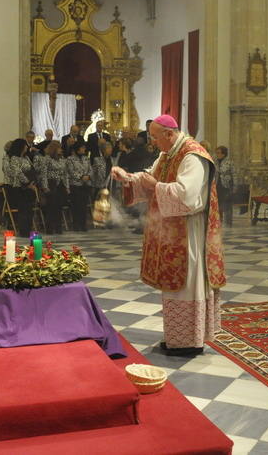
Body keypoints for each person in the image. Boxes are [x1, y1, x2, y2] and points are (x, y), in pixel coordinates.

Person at [110, 115, 226, 357]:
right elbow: (150, 177)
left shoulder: (192, 155)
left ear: (169, 134)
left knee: (187, 284)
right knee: (173, 286)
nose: (152, 142)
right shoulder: (168, 153)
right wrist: (128, 177)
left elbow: (187, 196)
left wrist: (156, 186)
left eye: (155, 137)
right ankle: (176, 338)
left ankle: (190, 341)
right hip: (173, 230)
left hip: (189, 230)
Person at [2, 138, 37, 237]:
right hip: (18, 187)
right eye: (25, 145)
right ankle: (24, 230)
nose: (27, 146)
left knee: (29, 208)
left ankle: (29, 228)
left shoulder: (26, 158)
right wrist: (27, 183)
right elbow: (17, 173)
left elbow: (32, 170)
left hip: (29, 186)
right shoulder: (14, 158)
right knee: (24, 208)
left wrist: (32, 182)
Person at [39, 141, 69, 235]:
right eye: (59, 148)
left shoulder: (62, 159)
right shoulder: (46, 159)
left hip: (60, 185)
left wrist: (67, 186)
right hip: (51, 184)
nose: (61, 149)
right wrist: (45, 187)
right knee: (51, 207)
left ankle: (58, 227)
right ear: (54, 149)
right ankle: (50, 228)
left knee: (59, 207)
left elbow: (65, 174)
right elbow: (43, 174)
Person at [66, 141, 93, 231]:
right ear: (77, 149)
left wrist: (88, 176)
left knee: (84, 206)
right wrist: (81, 177)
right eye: (82, 148)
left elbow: (90, 169)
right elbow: (71, 171)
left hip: (85, 185)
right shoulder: (70, 159)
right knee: (76, 206)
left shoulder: (86, 159)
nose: (84, 149)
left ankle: (83, 224)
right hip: (75, 185)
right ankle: (76, 225)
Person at [214, 146, 235, 227]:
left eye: (218, 153)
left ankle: (228, 223)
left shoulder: (229, 162)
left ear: (223, 154)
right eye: (216, 153)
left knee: (227, 205)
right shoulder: (215, 161)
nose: (217, 154)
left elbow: (234, 175)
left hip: (226, 186)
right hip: (216, 185)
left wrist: (234, 187)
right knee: (217, 205)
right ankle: (218, 222)